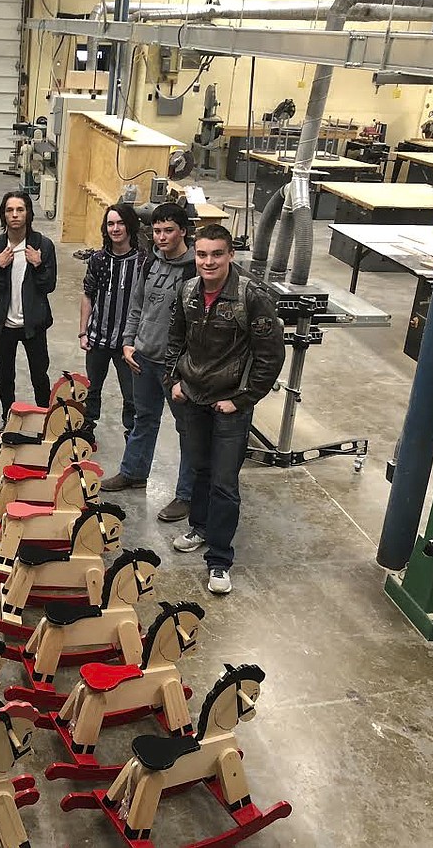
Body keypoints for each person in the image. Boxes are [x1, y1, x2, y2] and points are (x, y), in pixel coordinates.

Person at [165, 224, 285, 595]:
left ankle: (219, 559)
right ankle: (199, 528)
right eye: (202, 254)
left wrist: (242, 399)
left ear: (230, 255)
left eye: (217, 254)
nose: (208, 261)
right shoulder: (186, 292)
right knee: (198, 469)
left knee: (224, 482)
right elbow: (175, 339)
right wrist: (174, 381)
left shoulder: (252, 297)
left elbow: (271, 357)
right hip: (194, 398)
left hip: (230, 405)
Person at [100, 203, 196, 524]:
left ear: (183, 231)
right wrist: (129, 342)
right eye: (156, 231)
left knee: (187, 430)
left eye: (168, 230)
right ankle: (133, 472)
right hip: (143, 358)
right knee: (144, 418)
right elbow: (137, 306)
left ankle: (186, 494)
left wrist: (186, 368)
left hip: (175, 368)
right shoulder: (150, 262)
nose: (161, 237)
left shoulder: (195, 269)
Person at [0, 191, 57, 419]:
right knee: (5, 377)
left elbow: (49, 286)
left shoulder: (43, 245)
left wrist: (39, 265)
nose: (14, 215)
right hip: (4, 326)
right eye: (9, 210)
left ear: (28, 214)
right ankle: (8, 418)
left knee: (39, 376)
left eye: (20, 210)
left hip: (34, 325)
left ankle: (44, 417)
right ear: (3, 216)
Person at [79, 202, 148, 441]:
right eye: (110, 224)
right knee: (91, 388)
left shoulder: (143, 262)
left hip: (128, 345)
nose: (115, 228)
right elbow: (88, 295)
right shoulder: (98, 259)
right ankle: (87, 428)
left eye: (120, 223)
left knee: (131, 396)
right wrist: (83, 332)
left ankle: (133, 434)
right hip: (98, 338)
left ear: (130, 226)